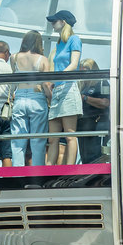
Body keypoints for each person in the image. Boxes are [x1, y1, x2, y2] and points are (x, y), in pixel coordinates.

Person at [45, 11, 83, 165]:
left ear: (63, 21)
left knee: (69, 135)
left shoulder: (74, 39)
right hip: (58, 89)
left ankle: (70, 170)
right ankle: (49, 170)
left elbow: (74, 64)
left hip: (68, 88)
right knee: (52, 138)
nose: (52, 24)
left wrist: (57, 76)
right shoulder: (60, 43)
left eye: (54, 21)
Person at [10, 30, 51, 165]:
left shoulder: (14, 57)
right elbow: (45, 84)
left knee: (18, 141)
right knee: (38, 141)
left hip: (20, 98)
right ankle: (38, 176)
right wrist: (50, 99)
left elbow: (13, 81)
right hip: (37, 98)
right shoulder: (43, 60)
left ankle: (17, 176)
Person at [77, 59, 110, 164]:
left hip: (97, 123)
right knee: (84, 156)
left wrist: (85, 98)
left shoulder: (101, 83)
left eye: (84, 72)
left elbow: (105, 103)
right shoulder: (82, 85)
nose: (83, 75)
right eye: (80, 72)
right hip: (83, 124)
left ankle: (97, 178)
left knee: (95, 156)